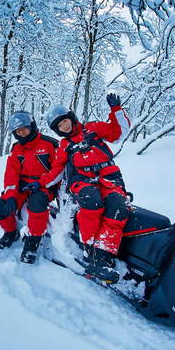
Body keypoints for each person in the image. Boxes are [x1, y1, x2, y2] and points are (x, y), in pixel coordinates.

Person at [35, 94, 131, 283]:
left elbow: (118, 134)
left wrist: (116, 110)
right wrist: (40, 183)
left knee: (119, 207)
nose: (64, 127)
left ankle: (103, 253)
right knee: (91, 202)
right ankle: (90, 249)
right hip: (83, 181)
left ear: (71, 118)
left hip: (109, 177)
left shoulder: (93, 129)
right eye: (59, 126)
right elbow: (56, 171)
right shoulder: (64, 145)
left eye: (65, 121)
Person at [0, 111, 60, 264]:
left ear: (32, 126)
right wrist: (10, 197)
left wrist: (43, 184)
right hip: (23, 185)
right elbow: (11, 175)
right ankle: (11, 233)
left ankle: (32, 242)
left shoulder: (50, 144)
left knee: (36, 203)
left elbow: (58, 171)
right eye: (17, 131)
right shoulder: (16, 148)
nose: (21, 133)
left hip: (46, 184)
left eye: (24, 128)